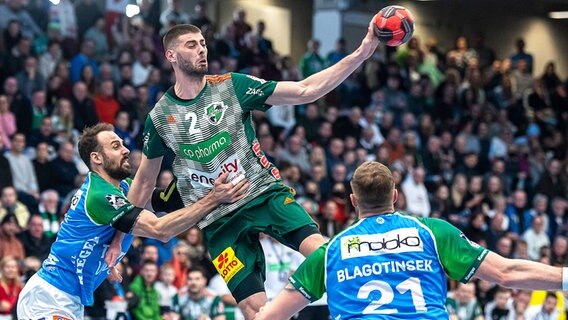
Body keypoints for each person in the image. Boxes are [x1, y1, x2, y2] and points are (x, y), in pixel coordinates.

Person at [123, 16, 378, 319]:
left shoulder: (232, 86)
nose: (201, 50)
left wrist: (363, 51)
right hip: (218, 222)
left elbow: (305, 90)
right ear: (171, 56)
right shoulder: (161, 117)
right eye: (192, 45)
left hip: (262, 195)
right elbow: (141, 186)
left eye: (203, 44)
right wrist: (117, 242)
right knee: (255, 311)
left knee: (323, 253)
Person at [256, 161, 568, 320]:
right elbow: (507, 273)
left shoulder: (331, 250)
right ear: (394, 196)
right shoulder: (433, 232)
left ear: (353, 200)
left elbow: (271, 316)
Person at [16, 123, 249, 319]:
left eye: (123, 144)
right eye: (116, 146)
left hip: (70, 300)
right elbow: (161, 229)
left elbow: (164, 200)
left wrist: (208, 179)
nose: (126, 150)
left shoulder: (122, 189)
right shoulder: (100, 196)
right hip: (48, 297)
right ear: (96, 158)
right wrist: (213, 199)